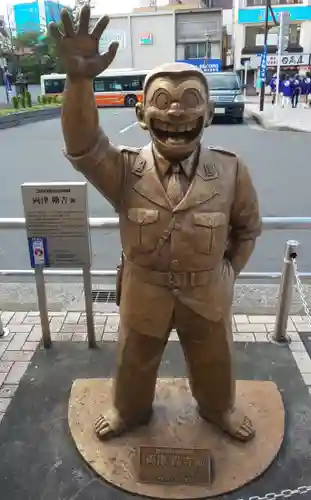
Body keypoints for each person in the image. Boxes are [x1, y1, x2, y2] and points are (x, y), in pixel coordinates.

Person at [49, 6, 262, 443]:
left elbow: (247, 229)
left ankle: (219, 408)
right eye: (163, 102)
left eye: (190, 102)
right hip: (144, 288)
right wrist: (78, 81)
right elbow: (84, 146)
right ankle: (128, 410)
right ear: (143, 114)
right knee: (134, 359)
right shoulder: (126, 170)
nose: (177, 114)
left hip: (206, 290)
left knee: (214, 360)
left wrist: (225, 274)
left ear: (209, 115)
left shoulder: (230, 170)